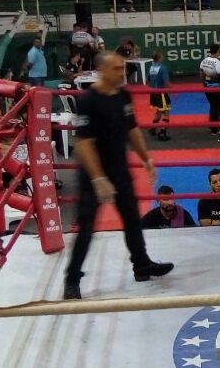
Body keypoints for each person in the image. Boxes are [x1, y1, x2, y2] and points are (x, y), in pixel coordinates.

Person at [64, 53, 173, 299]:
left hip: (119, 169)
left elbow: (132, 129)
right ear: (102, 70)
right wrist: (98, 178)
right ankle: (71, 278)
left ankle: (141, 265)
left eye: (122, 68)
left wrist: (146, 159)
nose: (121, 72)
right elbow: (84, 143)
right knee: (86, 226)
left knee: (132, 218)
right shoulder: (89, 100)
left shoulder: (123, 95)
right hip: (92, 174)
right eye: (115, 68)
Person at [145, 52, 172, 141]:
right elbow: (166, 82)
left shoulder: (151, 67)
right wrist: (173, 90)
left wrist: (153, 87)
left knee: (158, 111)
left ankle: (153, 129)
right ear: (160, 57)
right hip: (161, 92)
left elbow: (147, 80)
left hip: (153, 92)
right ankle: (162, 133)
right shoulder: (163, 68)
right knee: (166, 112)